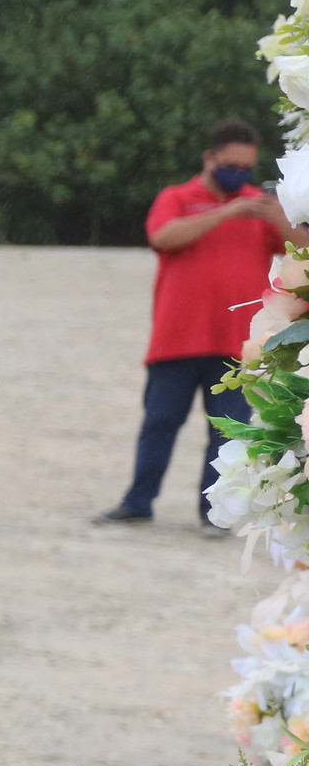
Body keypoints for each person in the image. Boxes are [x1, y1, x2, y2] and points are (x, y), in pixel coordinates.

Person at [98, 119, 304, 528]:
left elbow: (300, 249)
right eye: (231, 164)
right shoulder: (177, 197)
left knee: (231, 432)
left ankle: (214, 514)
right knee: (159, 423)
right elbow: (163, 237)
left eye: (245, 168)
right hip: (176, 339)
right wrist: (226, 213)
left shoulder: (260, 207)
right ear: (209, 159)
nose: (238, 175)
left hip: (236, 344)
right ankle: (138, 501)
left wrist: (279, 216)